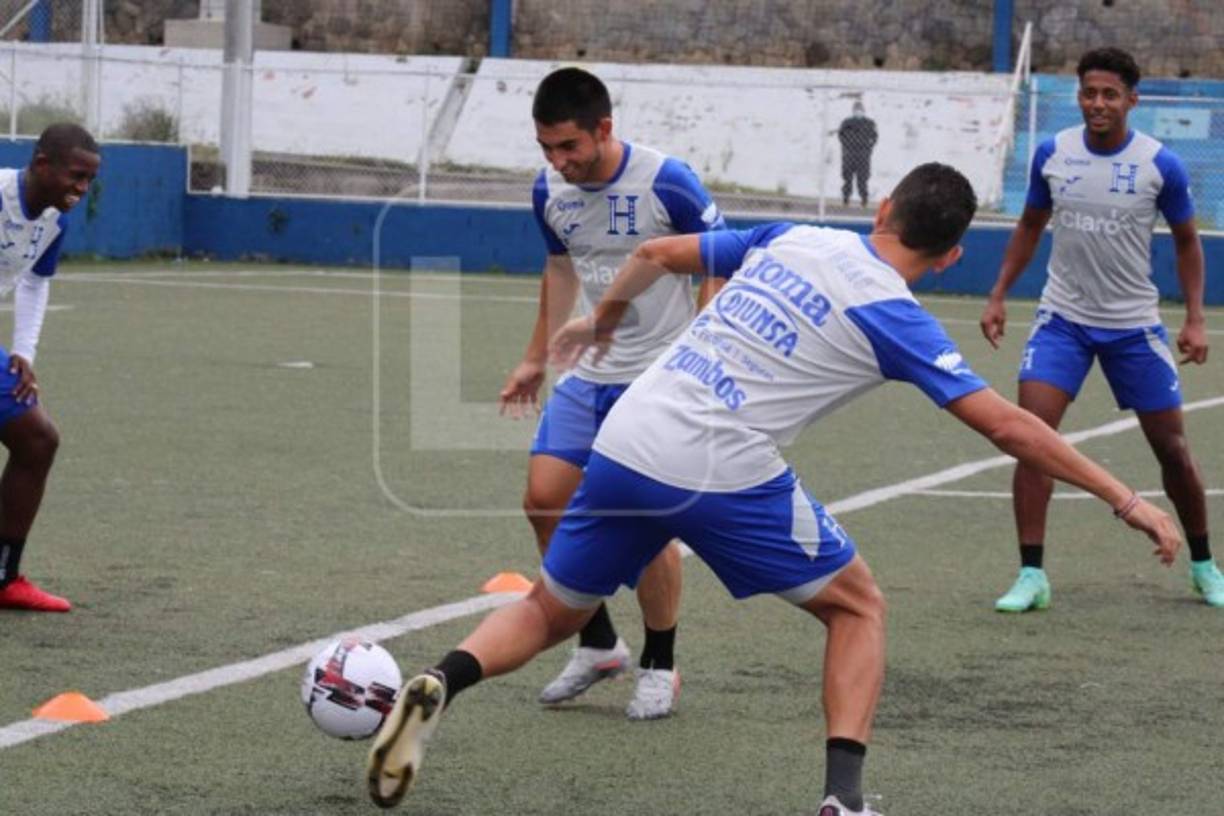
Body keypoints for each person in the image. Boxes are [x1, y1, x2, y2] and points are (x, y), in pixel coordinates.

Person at [366, 163, 1181, 814]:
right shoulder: (895, 314)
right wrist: (1127, 497)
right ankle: (842, 800)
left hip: (631, 429)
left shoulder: (799, 235)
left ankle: (442, 678)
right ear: (952, 256)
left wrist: (602, 320)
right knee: (857, 606)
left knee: (551, 607)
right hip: (719, 462)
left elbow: (656, 254)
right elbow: (1009, 428)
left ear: (884, 204)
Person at [497, 67, 725, 719]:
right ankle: (598, 644)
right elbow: (560, 269)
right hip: (590, 374)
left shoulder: (666, 181)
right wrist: (535, 359)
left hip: (661, 378)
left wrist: (701, 352)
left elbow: (717, 261)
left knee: (645, 521)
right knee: (543, 501)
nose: (556, 162)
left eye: (567, 146)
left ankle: (661, 662)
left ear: (604, 129)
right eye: (545, 148)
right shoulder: (548, 191)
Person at [979, 46, 1223, 613]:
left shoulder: (1161, 165)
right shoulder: (1052, 154)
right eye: (1089, 92)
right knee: (1032, 438)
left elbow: (1188, 243)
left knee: (1172, 448)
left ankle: (1205, 564)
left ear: (1131, 101)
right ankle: (1032, 575)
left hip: (1134, 328)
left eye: (1110, 94)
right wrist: (996, 296)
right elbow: (1029, 226)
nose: (1098, 103)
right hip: (1062, 320)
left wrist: (1194, 317)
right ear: (1079, 96)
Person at [0, 123, 100, 613]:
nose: (81, 189)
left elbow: (36, 282)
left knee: (37, 438)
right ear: (42, 164)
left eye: (89, 181)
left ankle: (3, 577)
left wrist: (24, 352)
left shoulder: (54, 222)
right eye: (75, 176)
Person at [837, 100, 877, 208]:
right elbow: (841, 135)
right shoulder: (847, 123)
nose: (858, 111)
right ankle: (846, 199)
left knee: (862, 179)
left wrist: (868, 147)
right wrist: (847, 145)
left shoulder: (869, 123)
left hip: (863, 155)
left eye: (860, 109)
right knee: (847, 177)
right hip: (849, 154)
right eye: (856, 109)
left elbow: (874, 137)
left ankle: (864, 199)